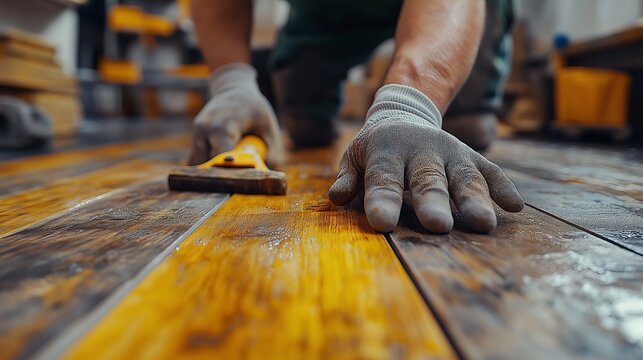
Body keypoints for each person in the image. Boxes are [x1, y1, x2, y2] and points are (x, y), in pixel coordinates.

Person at [188, 0, 524, 234]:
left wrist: (408, 105)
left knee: (466, 125)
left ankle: (407, 68)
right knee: (305, 126)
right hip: (324, 10)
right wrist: (232, 81)